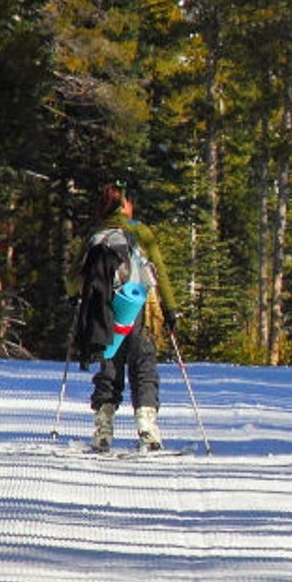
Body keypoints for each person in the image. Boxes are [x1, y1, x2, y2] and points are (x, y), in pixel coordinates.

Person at [76, 181, 179, 453]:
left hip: (104, 311)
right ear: (125, 205)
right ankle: (147, 429)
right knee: (143, 365)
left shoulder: (95, 236)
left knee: (109, 366)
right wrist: (170, 310)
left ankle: (103, 430)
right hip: (138, 308)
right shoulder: (140, 233)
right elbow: (160, 273)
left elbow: (73, 281)